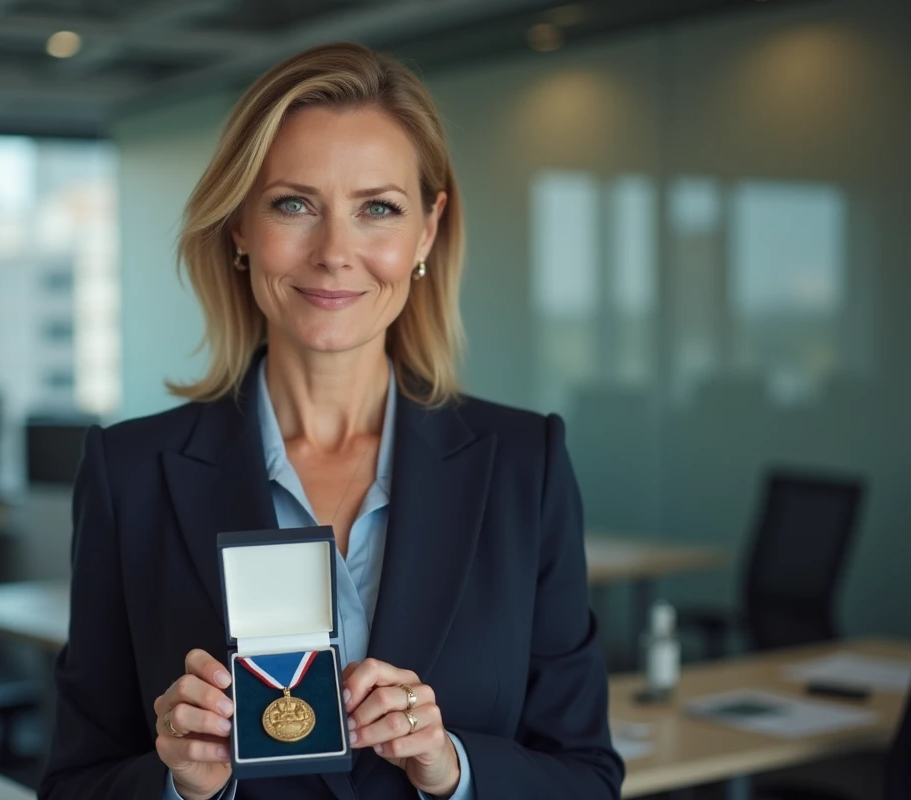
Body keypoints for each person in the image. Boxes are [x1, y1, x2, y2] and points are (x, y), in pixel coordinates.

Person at [39, 41, 623, 800]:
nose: (335, 252)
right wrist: (181, 787)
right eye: (294, 204)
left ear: (426, 230)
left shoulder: (523, 463)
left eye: (377, 208)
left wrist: (453, 770)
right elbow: (73, 784)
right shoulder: (131, 473)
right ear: (241, 226)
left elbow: (586, 779)